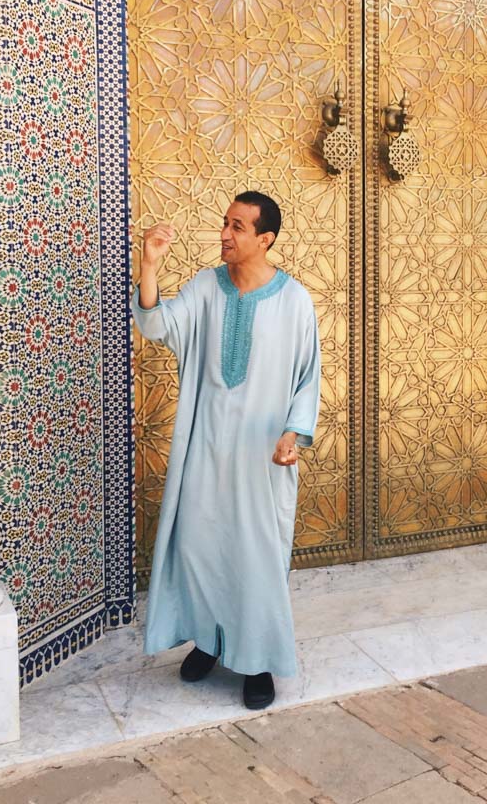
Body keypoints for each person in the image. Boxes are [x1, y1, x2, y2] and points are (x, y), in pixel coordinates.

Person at [132, 191, 321, 709]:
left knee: (255, 557)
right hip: (206, 449)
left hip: (262, 458)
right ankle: (209, 641)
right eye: (225, 223)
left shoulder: (293, 301)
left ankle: (256, 661)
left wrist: (293, 433)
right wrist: (149, 265)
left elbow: (308, 379)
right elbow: (157, 325)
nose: (225, 234)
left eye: (238, 227)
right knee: (199, 547)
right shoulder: (206, 288)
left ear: (265, 239)